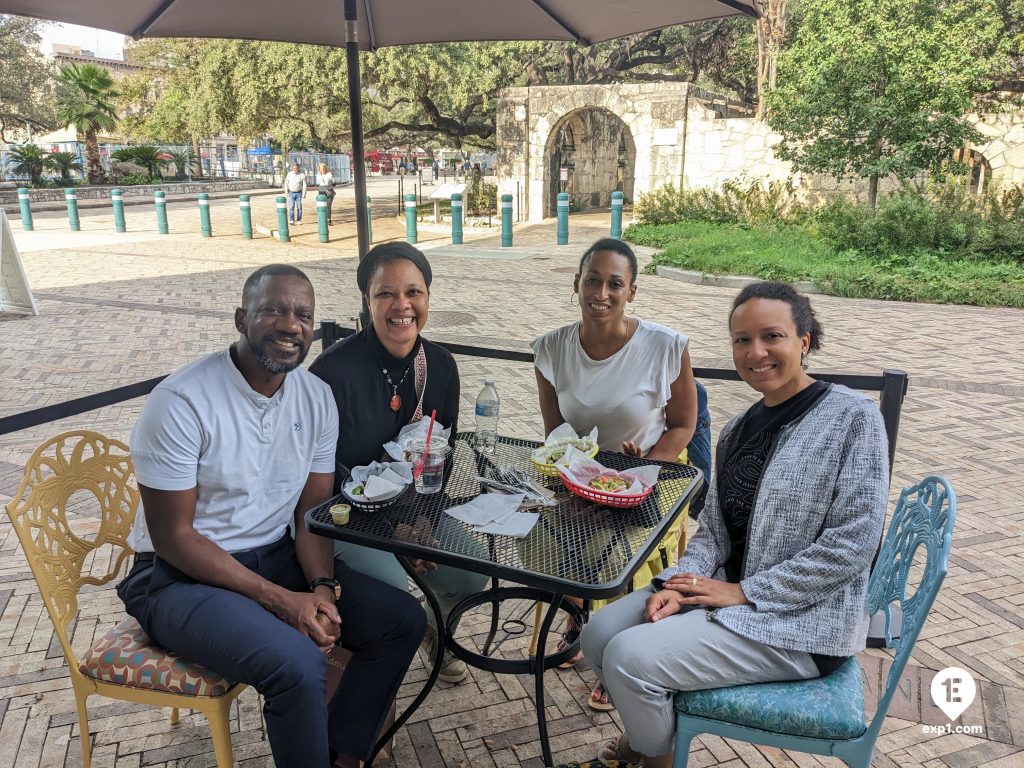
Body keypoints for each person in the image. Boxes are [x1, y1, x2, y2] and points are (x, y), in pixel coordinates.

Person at [116, 265, 426, 768]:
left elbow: (311, 511)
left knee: (401, 621)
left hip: (274, 555)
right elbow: (172, 537)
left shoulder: (314, 397)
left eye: (303, 314)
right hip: (175, 579)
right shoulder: (181, 402)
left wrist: (322, 587)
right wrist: (283, 601)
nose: (291, 325)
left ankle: (340, 756)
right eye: (273, 310)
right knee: (298, 665)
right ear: (242, 318)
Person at [581, 281, 889, 768]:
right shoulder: (737, 428)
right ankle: (649, 742)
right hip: (724, 594)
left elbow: (852, 544)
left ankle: (651, 756)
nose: (756, 352)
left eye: (773, 336)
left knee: (630, 660)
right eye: (742, 340)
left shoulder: (852, 418)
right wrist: (679, 585)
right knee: (598, 633)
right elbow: (717, 531)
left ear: (804, 341)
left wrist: (745, 592)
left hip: (801, 624)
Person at [531, 237, 698, 711]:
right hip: (582, 472)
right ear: (577, 283)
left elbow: (683, 424)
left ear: (632, 293)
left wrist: (643, 470)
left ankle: (618, 661)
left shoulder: (665, 346)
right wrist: (583, 471)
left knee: (621, 552)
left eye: (615, 284)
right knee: (546, 537)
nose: (601, 293)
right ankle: (576, 615)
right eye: (592, 280)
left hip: (652, 467)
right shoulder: (550, 349)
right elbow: (555, 433)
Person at [310, 242, 488, 685]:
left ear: (427, 298)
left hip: (414, 511)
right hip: (347, 517)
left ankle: (433, 631)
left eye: (414, 292)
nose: (401, 306)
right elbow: (315, 476)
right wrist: (393, 531)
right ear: (367, 301)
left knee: (471, 572)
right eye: (385, 294)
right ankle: (366, 695)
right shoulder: (331, 372)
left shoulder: (441, 366)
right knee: (393, 596)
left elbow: (439, 458)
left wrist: (421, 521)